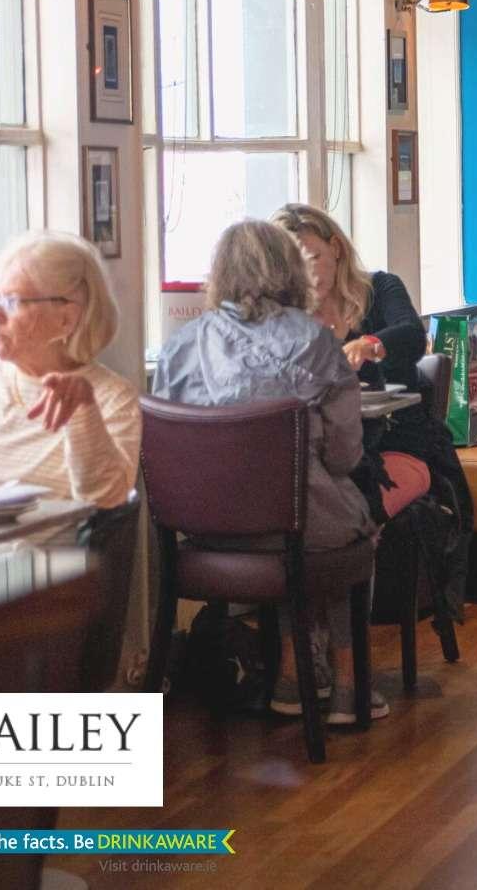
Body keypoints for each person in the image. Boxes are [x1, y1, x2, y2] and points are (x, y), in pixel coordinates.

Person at [152, 219, 384, 725]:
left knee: (290, 514)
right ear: (291, 271)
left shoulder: (179, 346)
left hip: (204, 533)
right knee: (342, 522)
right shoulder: (315, 342)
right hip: (296, 527)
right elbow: (344, 456)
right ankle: (348, 685)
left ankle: (292, 677)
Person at [270, 204, 474, 626]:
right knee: (297, 509)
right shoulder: (287, 315)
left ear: (336, 248)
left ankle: (341, 641)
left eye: (313, 257)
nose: (307, 273)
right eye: (294, 263)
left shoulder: (381, 289)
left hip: (398, 442)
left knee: (351, 510)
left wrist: (369, 345)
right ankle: (311, 638)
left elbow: (412, 336)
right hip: (325, 450)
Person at [0, 230, 139, 508]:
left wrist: (83, 414)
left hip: (43, 537)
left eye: (11, 302)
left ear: (66, 319)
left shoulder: (112, 397)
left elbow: (107, 499)